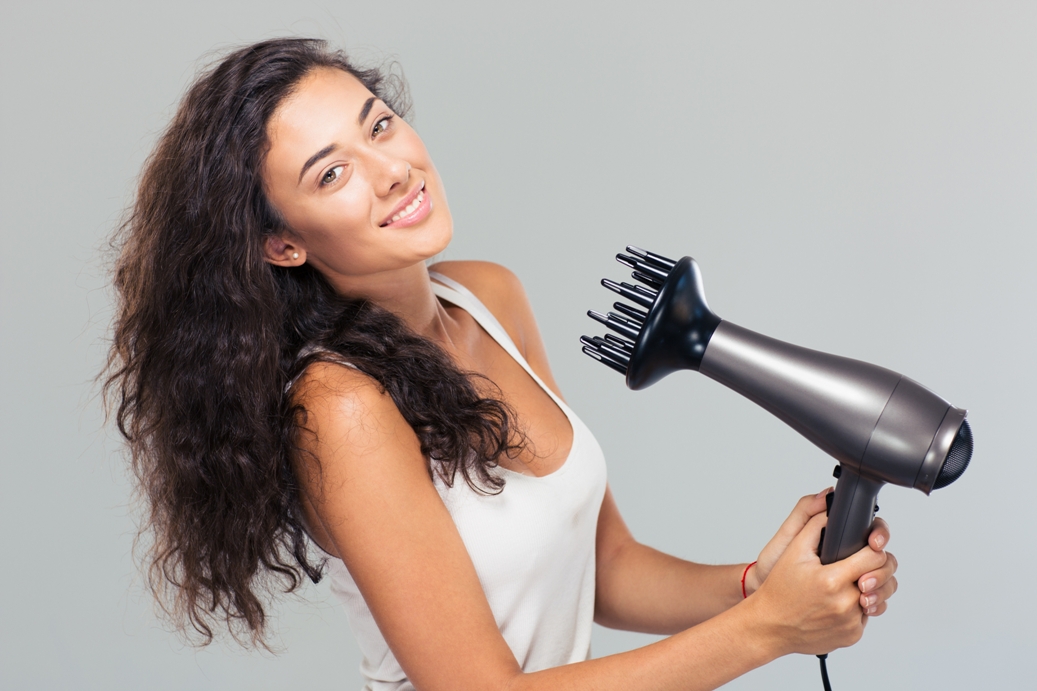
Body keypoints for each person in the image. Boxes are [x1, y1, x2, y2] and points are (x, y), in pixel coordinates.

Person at [104, 37, 898, 691]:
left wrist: (761, 586)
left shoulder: (488, 296)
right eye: (331, 173)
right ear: (284, 243)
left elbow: (607, 567)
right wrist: (765, 631)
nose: (391, 169)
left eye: (377, 126)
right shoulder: (339, 407)